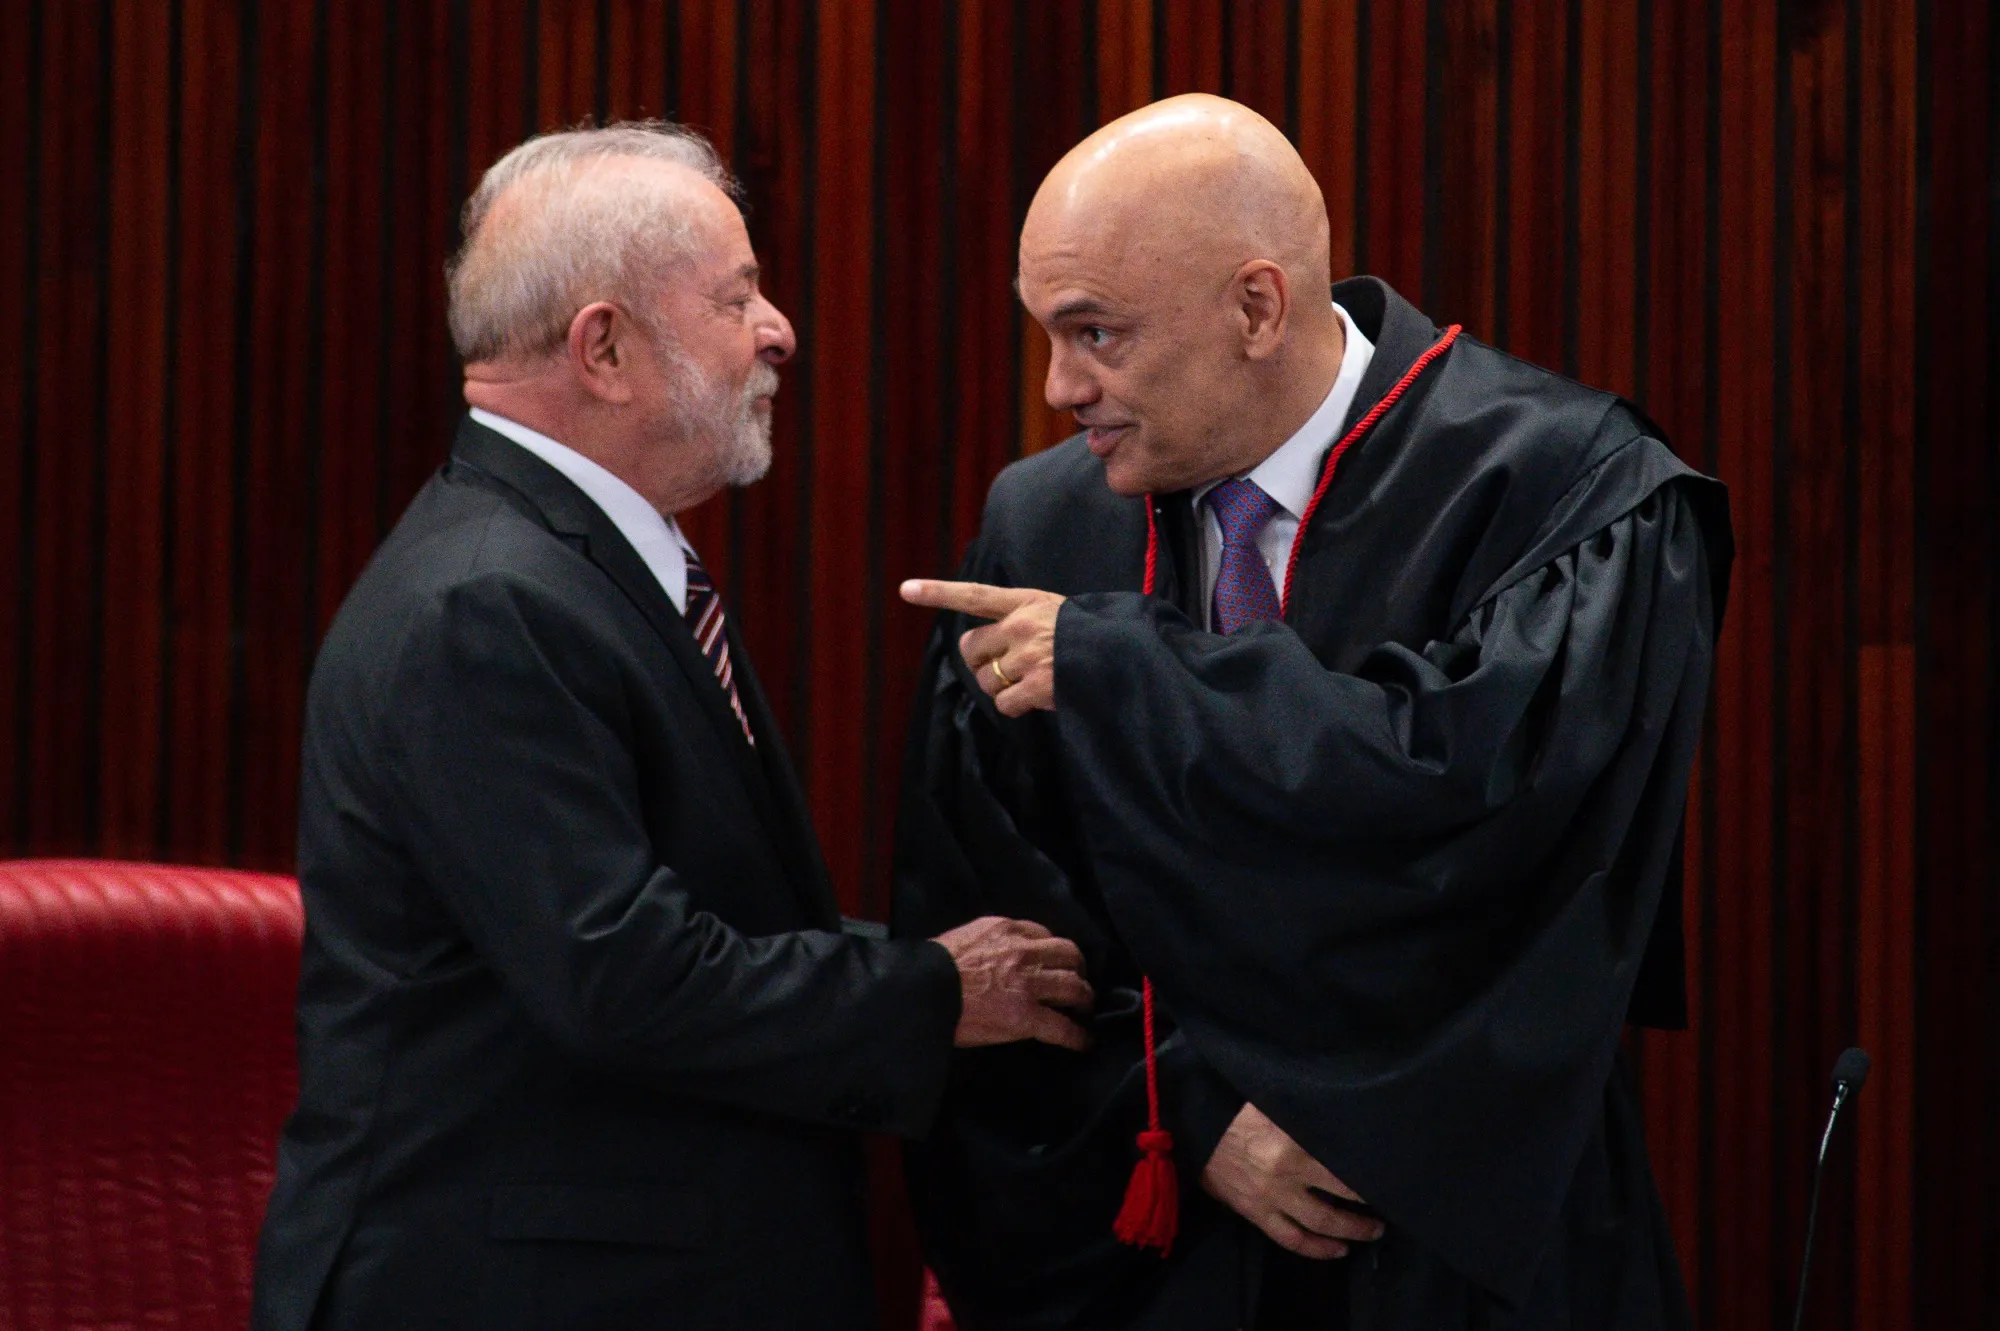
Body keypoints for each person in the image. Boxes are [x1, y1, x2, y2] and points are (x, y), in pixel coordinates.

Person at [894, 94, 1731, 1330]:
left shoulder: (1561, 489)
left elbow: (1490, 824)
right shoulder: (1045, 523)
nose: (1060, 385)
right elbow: (1002, 902)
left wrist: (1126, 670)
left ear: (1255, 307)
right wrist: (1187, 1105)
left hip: (1450, 1233)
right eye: (1048, 333)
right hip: (1171, 1232)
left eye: (1094, 332)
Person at [252, 121, 1093, 1331]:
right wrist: (927, 991)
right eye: (735, 297)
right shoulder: (487, 602)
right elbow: (621, 973)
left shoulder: (572, 563)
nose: (777, 330)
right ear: (604, 348)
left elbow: (708, 918)